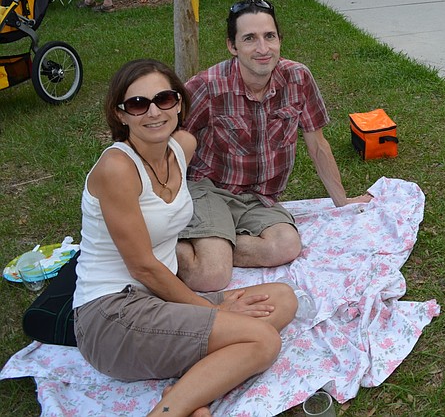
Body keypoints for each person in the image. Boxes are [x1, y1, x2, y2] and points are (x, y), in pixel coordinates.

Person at [73, 59, 297, 417]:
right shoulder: (117, 169)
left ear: (179, 103)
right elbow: (144, 267)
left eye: (164, 99)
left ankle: (190, 390)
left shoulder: (182, 147)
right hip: (113, 314)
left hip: (161, 303)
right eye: (137, 104)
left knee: (283, 298)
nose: (153, 112)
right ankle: (169, 412)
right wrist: (212, 310)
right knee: (263, 339)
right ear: (120, 115)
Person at [177, 0, 372, 292]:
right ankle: (170, 245)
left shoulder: (298, 78)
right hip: (208, 189)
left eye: (269, 36)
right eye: (250, 38)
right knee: (211, 277)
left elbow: (317, 144)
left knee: (286, 246)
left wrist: (342, 202)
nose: (263, 48)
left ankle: (212, 243)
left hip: (259, 197)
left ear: (280, 39)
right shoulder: (206, 86)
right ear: (232, 46)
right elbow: (173, 151)